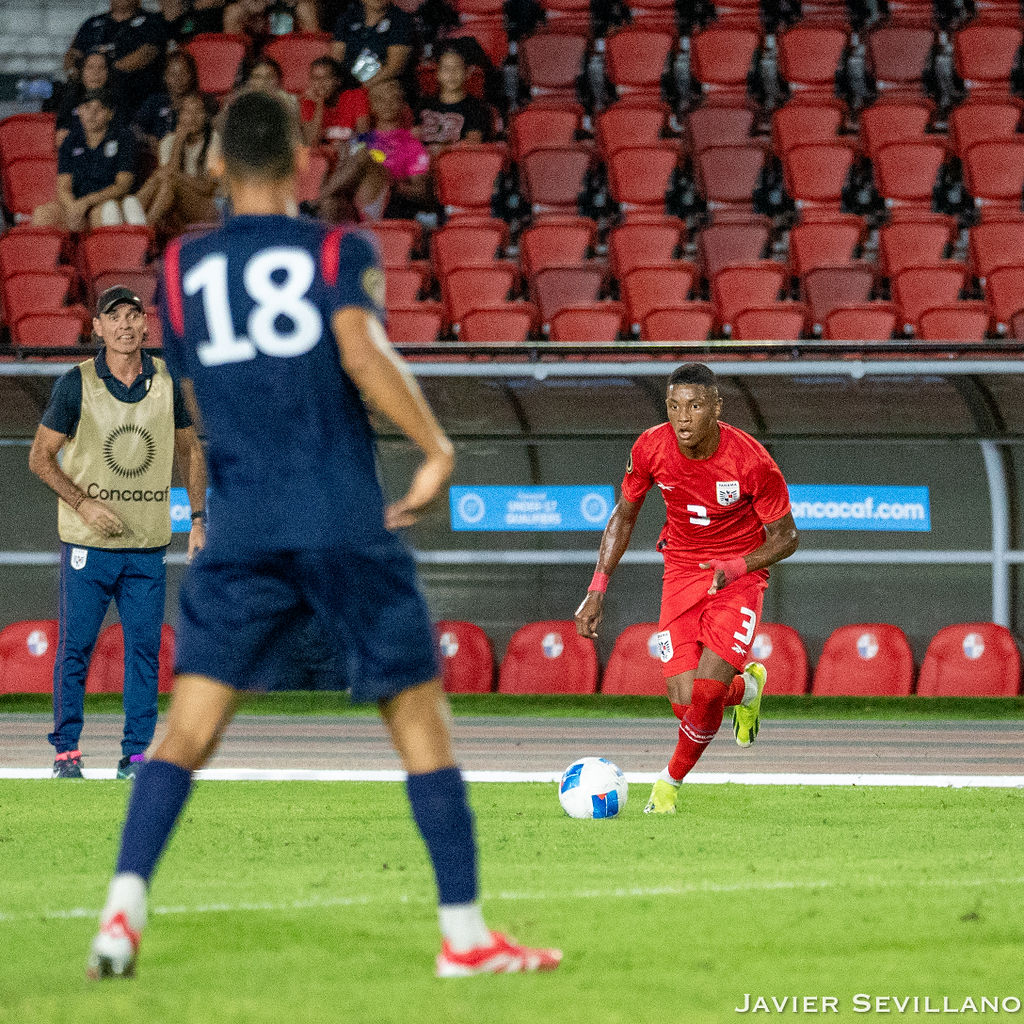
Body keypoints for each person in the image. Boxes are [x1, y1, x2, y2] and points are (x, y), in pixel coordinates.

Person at [86, 89, 561, 981]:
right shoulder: (340, 248)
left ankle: (119, 916)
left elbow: (196, 405)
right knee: (421, 725)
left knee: (185, 731)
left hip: (243, 524)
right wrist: (435, 444)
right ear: (305, 159)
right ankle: (464, 936)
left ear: (217, 164)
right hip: (342, 516)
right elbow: (360, 351)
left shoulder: (183, 268)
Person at [574, 363, 799, 815]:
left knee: (708, 694)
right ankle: (748, 690)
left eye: (695, 406)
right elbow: (624, 513)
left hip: (739, 577)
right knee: (684, 706)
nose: (683, 417)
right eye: (674, 406)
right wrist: (597, 588)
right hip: (680, 572)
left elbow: (787, 537)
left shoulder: (751, 461)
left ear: (716, 407)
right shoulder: (651, 447)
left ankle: (667, 785)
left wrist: (738, 565)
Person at [28, 286, 207, 782]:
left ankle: (134, 756)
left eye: (134, 316)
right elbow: (39, 458)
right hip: (88, 545)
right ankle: (66, 750)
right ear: (98, 328)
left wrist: (196, 520)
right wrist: (83, 502)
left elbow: (191, 452)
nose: (126, 325)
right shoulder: (76, 384)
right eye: (115, 318)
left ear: (146, 326)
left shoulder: (170, 381)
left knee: (145, 652)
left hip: (147, 546)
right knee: (76, 648)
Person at [315, 78, 429, 222]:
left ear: (402, 105)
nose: (387, 104)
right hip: (353, 202)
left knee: (363, 154)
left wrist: (396, 185)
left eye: (393, 99)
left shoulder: (412, 145)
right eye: (380, 99)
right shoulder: (359, 139)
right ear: (372, 106)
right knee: (329, 204)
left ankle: (315, 200)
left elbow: (423, 193)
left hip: (387, 199)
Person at [33, 89, 144, 231]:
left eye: (100, 109)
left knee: (104, 212)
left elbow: (123, 185)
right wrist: (73, 208)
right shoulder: (71, 140)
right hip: (77, 202)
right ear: (79, 110)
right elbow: (63, 187)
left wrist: (87, 202)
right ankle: (54, 253)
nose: (92, 114)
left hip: (106, 200)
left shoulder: (123, 138)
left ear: (110, 114)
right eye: (87, 108)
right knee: (43, 213)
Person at [126, 92, 218, 236]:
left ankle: (141, 229)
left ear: (206, 116)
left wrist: (176, 176)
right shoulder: (169, 141)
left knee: (169, 180)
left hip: (208, 206)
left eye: (198, 112)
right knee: (164, 181)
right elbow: (164, 178)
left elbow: (207, 188)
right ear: (179, 115)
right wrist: (178, 142)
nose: (192, 117)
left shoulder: (214, 140)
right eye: (187, 112)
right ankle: (135, 220)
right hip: (174, 208)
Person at [64, 0, 167, 116]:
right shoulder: (93, 23)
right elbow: (72, 54)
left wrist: (104, 71)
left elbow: (147, 53)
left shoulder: (152, 21)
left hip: (137, 99)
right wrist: (73, 71)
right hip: (91, 99)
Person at [417, 46, 490, 153]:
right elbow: (412, 136)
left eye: (457, 68)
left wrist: (443, 149)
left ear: (467, 73)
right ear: (437, 73)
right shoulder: (424, 104)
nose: (451, 74)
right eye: (446, 68)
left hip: (457, 164)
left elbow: (473, 143)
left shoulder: (476, 108)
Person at [132, 50, 204, 157]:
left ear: (192, 75)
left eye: (183, 73)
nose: (178, 79)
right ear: (165, 77)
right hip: (158, 158)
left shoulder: (202, 102)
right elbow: (134, 127)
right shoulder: (156, 102)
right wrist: (147, 138)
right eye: (173, 74)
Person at [331, 0, 414, 89]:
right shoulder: (347, 18)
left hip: (381, 83)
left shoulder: (400, 21)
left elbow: (394, 68)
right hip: (348, 82)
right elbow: (336, 59)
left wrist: (363, 88)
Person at [300, 55, 370, 146]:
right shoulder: (308, 102)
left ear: (338, 81)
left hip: (351, 154)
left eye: (326, 78)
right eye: (316, 78)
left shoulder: (356, 96)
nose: (321, 84)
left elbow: (363, 136)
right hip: (322, 157)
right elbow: (311, 143)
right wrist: (320, 103)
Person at [55, 50, 116, 149]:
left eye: (101, 68)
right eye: (90, 67)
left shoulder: (116, 99)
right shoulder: (71, 98)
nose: (96, 73)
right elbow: (62, 131)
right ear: (81, 71)